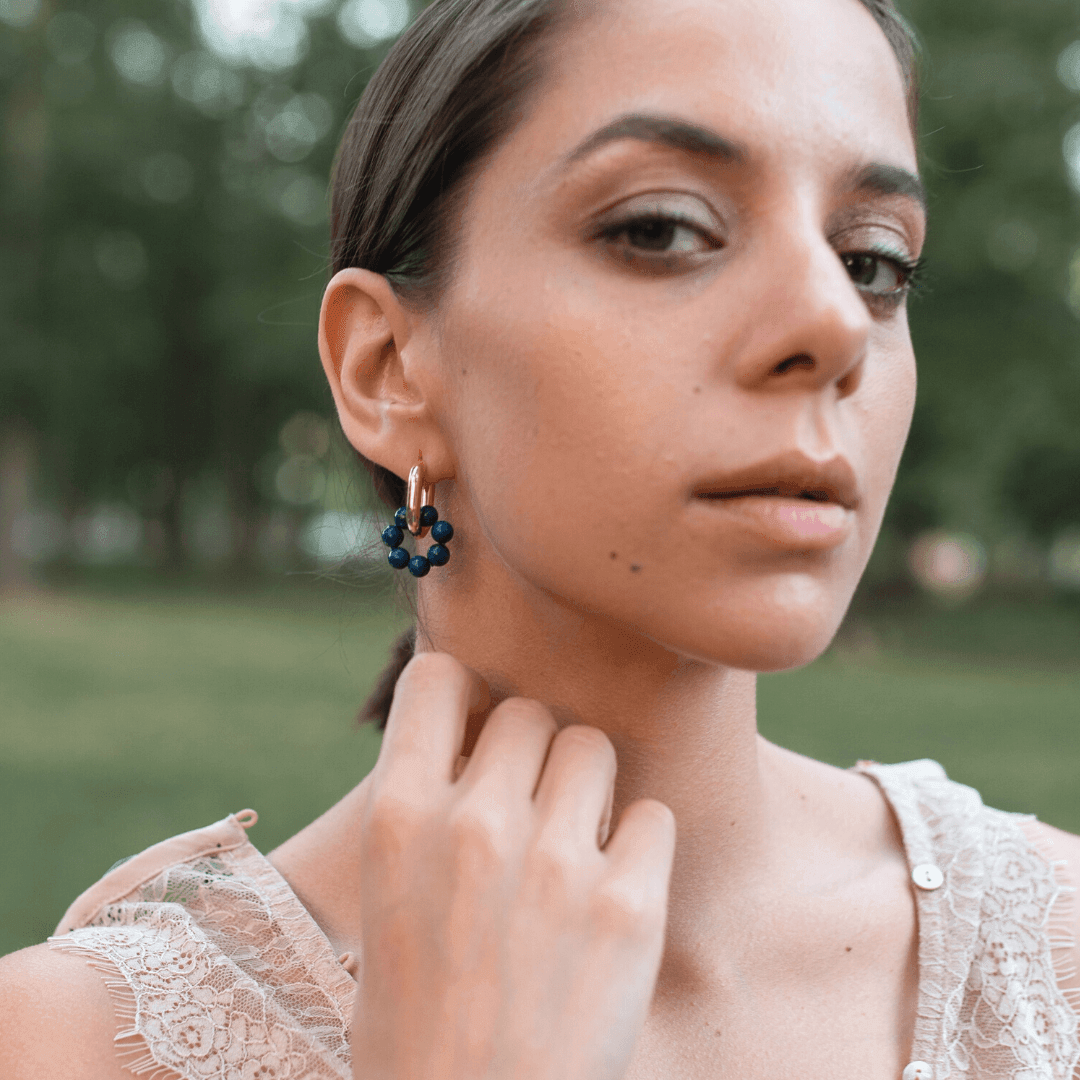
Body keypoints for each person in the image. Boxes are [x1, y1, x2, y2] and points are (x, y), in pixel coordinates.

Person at [3, 0, 1079, 1076]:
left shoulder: (1055, 954)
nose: (836, 324)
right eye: (660, 228)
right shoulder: (74, 1045)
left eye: (872, 261)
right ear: (387, 371)